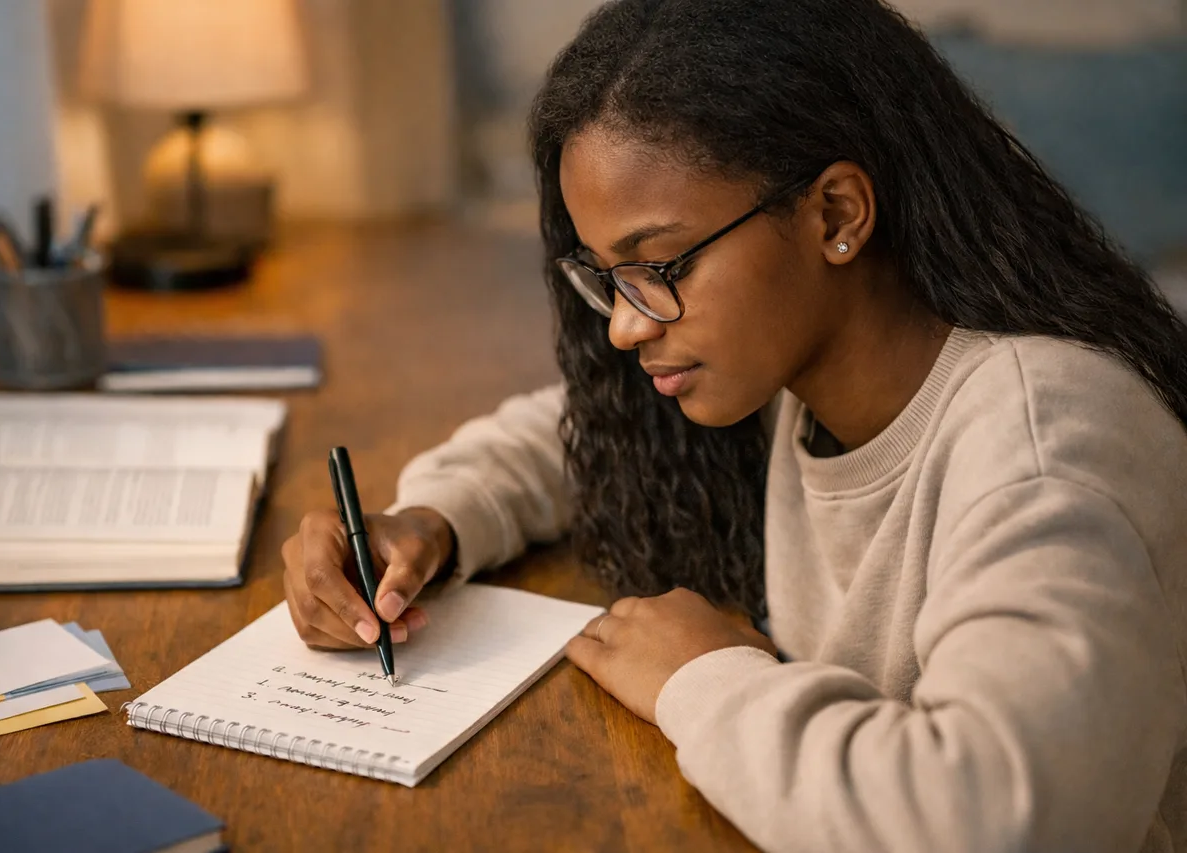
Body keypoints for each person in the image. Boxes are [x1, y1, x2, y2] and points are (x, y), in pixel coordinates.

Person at [282, 0, 1187, 850]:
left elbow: (991, 817)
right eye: (606, 276)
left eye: (660, 264)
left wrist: (702, 676)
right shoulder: (793, 371)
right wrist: (428, 523)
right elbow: (569, 432)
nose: (626, 324)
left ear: (835, 213)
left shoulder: (1045, 444)